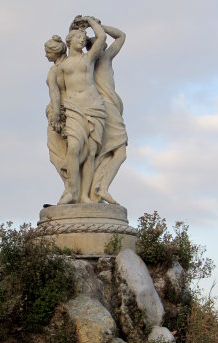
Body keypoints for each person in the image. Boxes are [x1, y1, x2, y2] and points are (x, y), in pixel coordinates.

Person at [55, 16, 107, 204]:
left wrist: (90, 22)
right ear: (69, 40)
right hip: (74, 108)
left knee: (92, 151)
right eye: (78, 38)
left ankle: (84, 195)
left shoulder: (89, 58)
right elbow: (60, 92)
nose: (82, 40)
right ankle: (72, 191)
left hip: (94, 107)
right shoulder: (62, 67)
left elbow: (100, 38)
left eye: (83, 39)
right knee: (75, 148)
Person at [87, 25, 128, 205]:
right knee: (120, 152)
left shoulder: (90, 61)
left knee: (104, 153)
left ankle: (97, 189)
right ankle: (102, 188)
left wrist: (93, 24)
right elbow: (121, 36)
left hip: (105, 107)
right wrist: (96, 24)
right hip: (108, 108)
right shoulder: (103, 58)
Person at [44, 35, 68, 202]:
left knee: (57, 154)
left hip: (59, 115)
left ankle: (70, 188)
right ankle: (73, 189)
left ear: (55, 52)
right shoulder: (71, 63)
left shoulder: (55, 70)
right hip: (73, 111)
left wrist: (55, 116)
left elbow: (56, 95)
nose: (45, 55)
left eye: (47, 52)